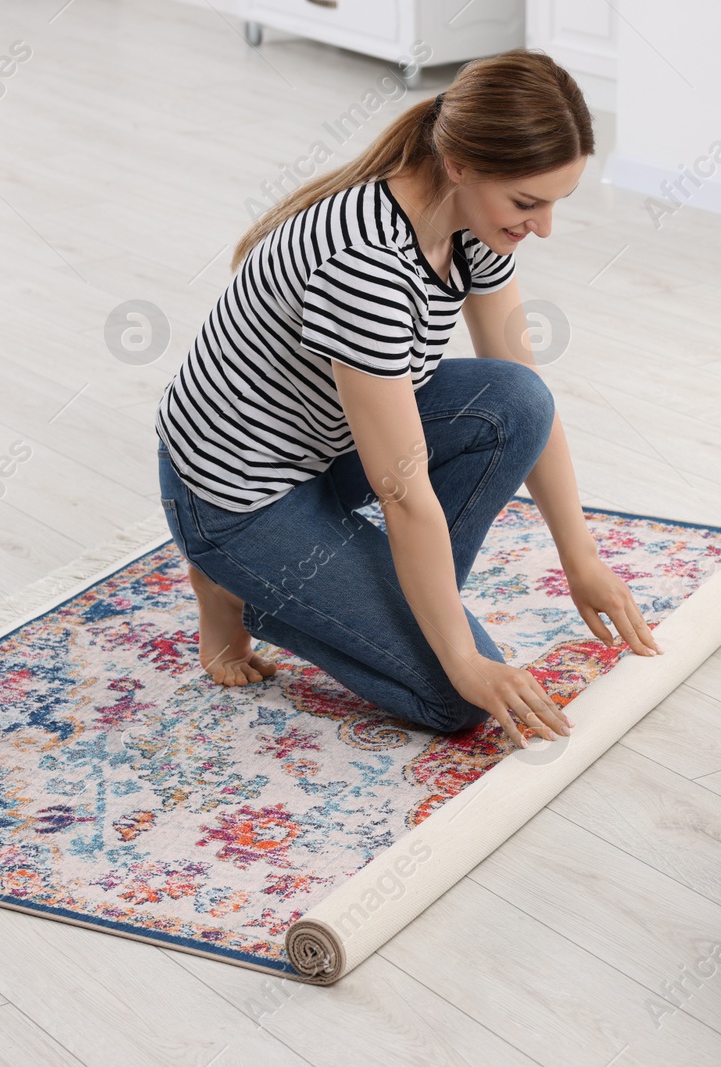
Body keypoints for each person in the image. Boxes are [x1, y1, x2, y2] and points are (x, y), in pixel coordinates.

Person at [154, 49, 661, 749]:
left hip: (324, 446)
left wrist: (583, 559)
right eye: (528, 202)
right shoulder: (364, 265)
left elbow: (522, 384)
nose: (543, 227)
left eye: (554, 202)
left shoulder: (471, 223)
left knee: (517, 402)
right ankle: (229, 581)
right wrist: (461, 661)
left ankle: (388, 603)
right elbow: (404, 492)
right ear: (460, 164)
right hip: (237, 499)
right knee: (453, 698)